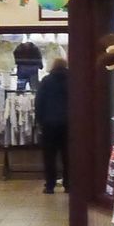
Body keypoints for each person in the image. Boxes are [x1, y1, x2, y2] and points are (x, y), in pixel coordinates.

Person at [35, 57, 69, 194]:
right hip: (68, 123)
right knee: (68, 156)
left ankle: (50, 185)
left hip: (49, 124)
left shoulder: (46, 81)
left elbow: (39, 102)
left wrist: (39, 121)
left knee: (49, 156)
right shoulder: (72, 80)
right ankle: (69, 184)